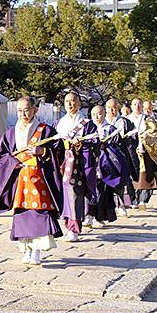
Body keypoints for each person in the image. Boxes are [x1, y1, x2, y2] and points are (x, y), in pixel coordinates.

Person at [0, 96, 63, 265]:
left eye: (26, 109)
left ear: (35, 110)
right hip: (20, 179)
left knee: (40, 213)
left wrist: (43, 152)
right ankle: (26, 249)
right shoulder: (10, 134)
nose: (23, 113)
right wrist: (12, 163)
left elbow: (58, 150)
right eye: (19, 110)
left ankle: (37, 251)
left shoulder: (45, 131)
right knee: (22, 216)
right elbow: (1, 158)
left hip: (40, 179)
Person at [53, 91, 98, 242]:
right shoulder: (59, 123)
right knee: (64, 194)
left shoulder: (87, 123)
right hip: (62, 162)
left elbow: (96, 142)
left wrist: (81, 143)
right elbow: (54, 142)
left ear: (79, 103)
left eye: (73, 101)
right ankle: (68, 224)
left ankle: (74, 227)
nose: (70, 104)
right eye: (67, 101)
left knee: (75, 194)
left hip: (79, 163)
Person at [85, 105, 129, 228]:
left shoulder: (110, 129)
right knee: (89, 190)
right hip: (89, 164)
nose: (96, 117)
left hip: (105, 165)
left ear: (104, 114)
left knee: (102, 192)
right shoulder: (88, 128)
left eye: (99, 114)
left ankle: (97, 216)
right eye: (94, 114)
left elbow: (119, 148)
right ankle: (88, 215)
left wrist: (107, 146)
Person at [105, 98, 139, 217]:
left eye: (113, 107)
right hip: (105, 157)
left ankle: (122, 204)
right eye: (108, 108)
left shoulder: (124, 122)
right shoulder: (102, 121)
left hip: (121, 155)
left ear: (118, 108)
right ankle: (109, 207)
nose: (111, 110)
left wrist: (126, 140)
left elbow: (134, 139)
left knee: (121, 181)